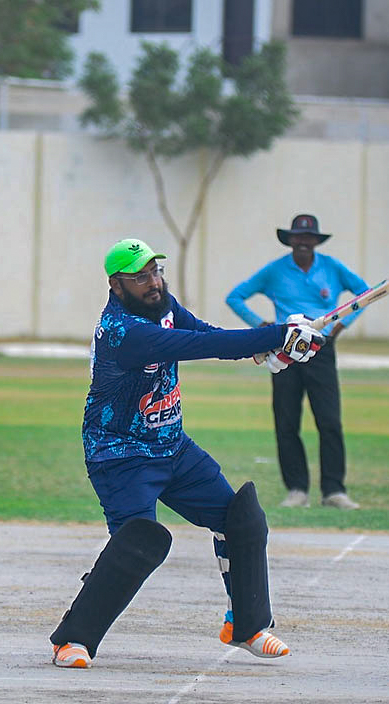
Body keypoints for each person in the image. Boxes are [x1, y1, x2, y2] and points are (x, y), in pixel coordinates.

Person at [49, 239, 325, 668]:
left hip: (172, 446)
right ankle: (72, 640)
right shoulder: (123, 331)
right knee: (137, 544)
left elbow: (206, 334)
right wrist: (279, 334)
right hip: (120, 454)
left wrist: (267, 348)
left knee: (241, 518)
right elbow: (196, 347)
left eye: (156, 271)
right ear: (116, 285)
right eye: (140, 277)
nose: (153, 283)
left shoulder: (163, 307)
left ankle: (247, 626)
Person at [226, 214, 369, 510]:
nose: (303, 242)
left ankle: (334, 491)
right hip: (286, 349)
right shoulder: (275, 270)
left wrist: (341, 325)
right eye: (298, 237)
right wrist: (262, 326)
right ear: (290, 240)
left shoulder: (332, 267)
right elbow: (235, 297)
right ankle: (297, 490)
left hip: (321, 348)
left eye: (309, 237)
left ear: (316, 241)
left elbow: (365, 294)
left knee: (329, 420)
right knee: (286, 421)